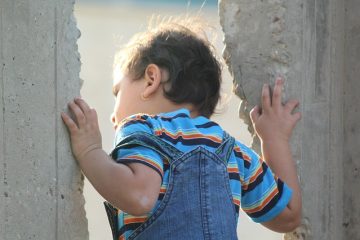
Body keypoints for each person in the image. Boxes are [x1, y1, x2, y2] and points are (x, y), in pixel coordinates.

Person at [61, 17, 302, 240]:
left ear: (151, 80)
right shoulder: (234, 152)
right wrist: (274, 139)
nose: (113, 116)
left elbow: (139, 196)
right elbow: (289, 215)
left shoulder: (144, 129)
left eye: (118, 92)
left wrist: (89, 150)